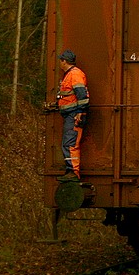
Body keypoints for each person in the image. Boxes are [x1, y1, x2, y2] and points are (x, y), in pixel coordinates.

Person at [56, 49, 89, 181]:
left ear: (64, 61)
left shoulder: (74, 74)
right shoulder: (70, 74)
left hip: (74, 115)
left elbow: (82, 95)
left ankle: (73, 173)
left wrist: (80, 112)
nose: (60, 63)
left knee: (70, 143)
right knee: (68, 142)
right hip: (72, 114)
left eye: (61, 60)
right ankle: (70, 171)